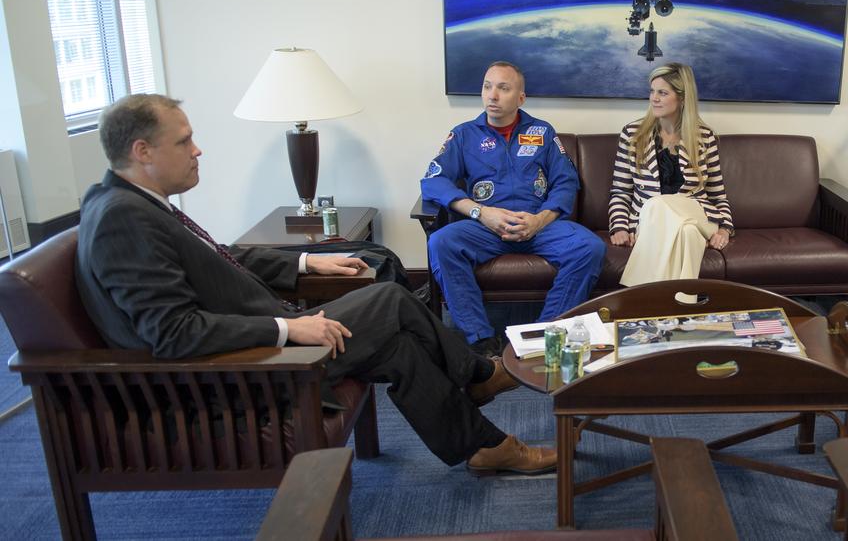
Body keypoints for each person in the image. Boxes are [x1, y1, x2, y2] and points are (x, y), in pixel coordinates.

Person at [77, 94, 555, 476]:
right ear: (142, 151)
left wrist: (310, 260)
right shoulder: (124, 220)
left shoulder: (135, 203)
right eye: (184, 141)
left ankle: (486, 446)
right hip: (238, 376)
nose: (197, 149)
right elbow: (173, 334)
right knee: (389, 298)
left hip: (261, 346)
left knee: (401, 350)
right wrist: (287, 331)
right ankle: (477, 375)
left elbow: (220, 257)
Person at [421, 61, 605, 358]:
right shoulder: (464, 135)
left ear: (520, 98)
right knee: (441, 242)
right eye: (487, 86)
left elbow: (566, 183)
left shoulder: (542, 132)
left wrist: (540, 220)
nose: (492, 95)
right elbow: (433, 181)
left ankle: (545, 333)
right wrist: (481, 212)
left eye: (503, 88)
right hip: (486, 226)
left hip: (538, 224)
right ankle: (479, 338)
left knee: (589, 247)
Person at [607, 63, 733, 287]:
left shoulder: (705, 137)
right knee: (687, 233)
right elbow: (620, 190)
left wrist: (724, 228)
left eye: (662, 93)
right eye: (652, 91)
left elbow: (718, 195)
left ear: (682, 99)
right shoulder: (633, 134)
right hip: (655, 223)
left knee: (657, 204)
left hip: (698, 214)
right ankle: (680, 314)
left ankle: (637, 299)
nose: (654, 98)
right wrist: (619, 226)